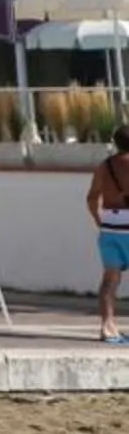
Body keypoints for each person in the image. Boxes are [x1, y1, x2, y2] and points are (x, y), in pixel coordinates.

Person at [89, 126, 129, 345]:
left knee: (109, 279)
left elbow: (92, 197)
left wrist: (99, 219)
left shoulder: (104, 166)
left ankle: (107, 325)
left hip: (110, 226)